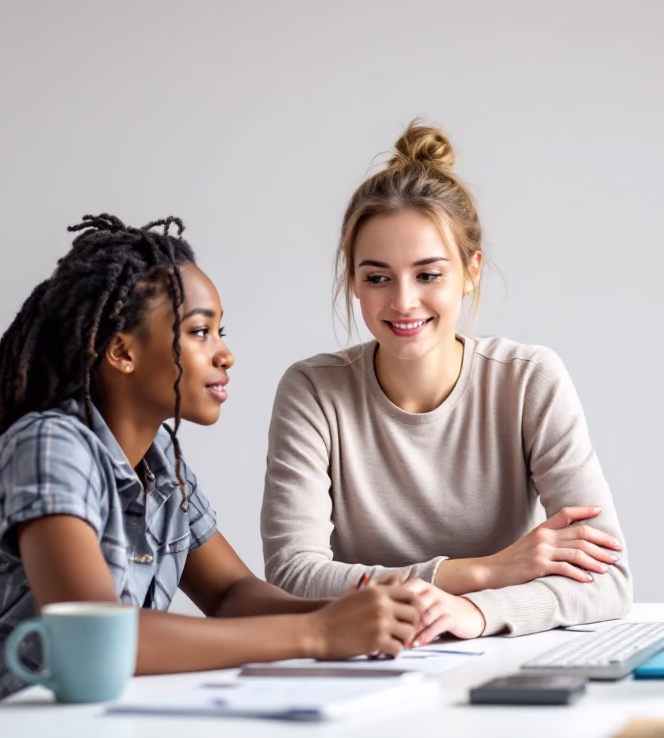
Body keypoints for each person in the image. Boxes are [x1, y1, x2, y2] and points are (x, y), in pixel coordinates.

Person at [0, 214, 426, 738]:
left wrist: (356, 615)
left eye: (220, 331)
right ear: (122, 351)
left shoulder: (163, 472)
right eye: (198, 332)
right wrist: (318, 633)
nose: (225, 353)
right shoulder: (49, 446)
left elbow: (233, 594)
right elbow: (99, 636)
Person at [262, 123, 632, 644]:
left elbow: (608, 581)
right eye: (377, 277)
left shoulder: (528, 380)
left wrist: (474, 614)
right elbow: (293, 578)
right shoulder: (313, 391)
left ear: (471, 271)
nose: (403, 301)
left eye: (428, 274)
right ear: (353, 282)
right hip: (361, 667)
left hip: (488, 667)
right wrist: (481, 573)